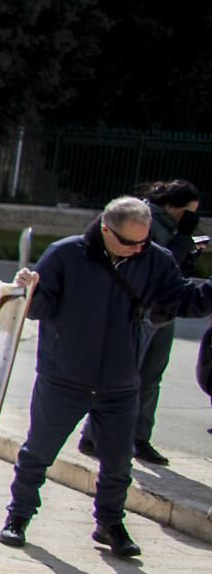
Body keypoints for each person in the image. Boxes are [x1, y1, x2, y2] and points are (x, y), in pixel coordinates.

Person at [0, 197, 212, 558]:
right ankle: (18, 517)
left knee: (118, 462)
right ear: (104, 229)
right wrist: (28, 291)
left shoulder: (155, 258)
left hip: (120, 381)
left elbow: (180, 300)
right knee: (38, 452)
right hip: (64, 377)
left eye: (143, 241)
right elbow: (40, 308)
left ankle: (109, 523)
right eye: (129, 242)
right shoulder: (65, 255)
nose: (138, 249)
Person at [81, 180, 202, 465]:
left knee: (151, 377)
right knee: (125, 376)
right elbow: (158, 262)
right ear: (170, 206)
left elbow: (173, 267)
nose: (191, 218)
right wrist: (184, 237)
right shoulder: (143, 222)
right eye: (188, 212)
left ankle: (137, 438)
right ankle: (96, 436)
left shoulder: (170, 227)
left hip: (164, 310)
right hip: (140, 311)